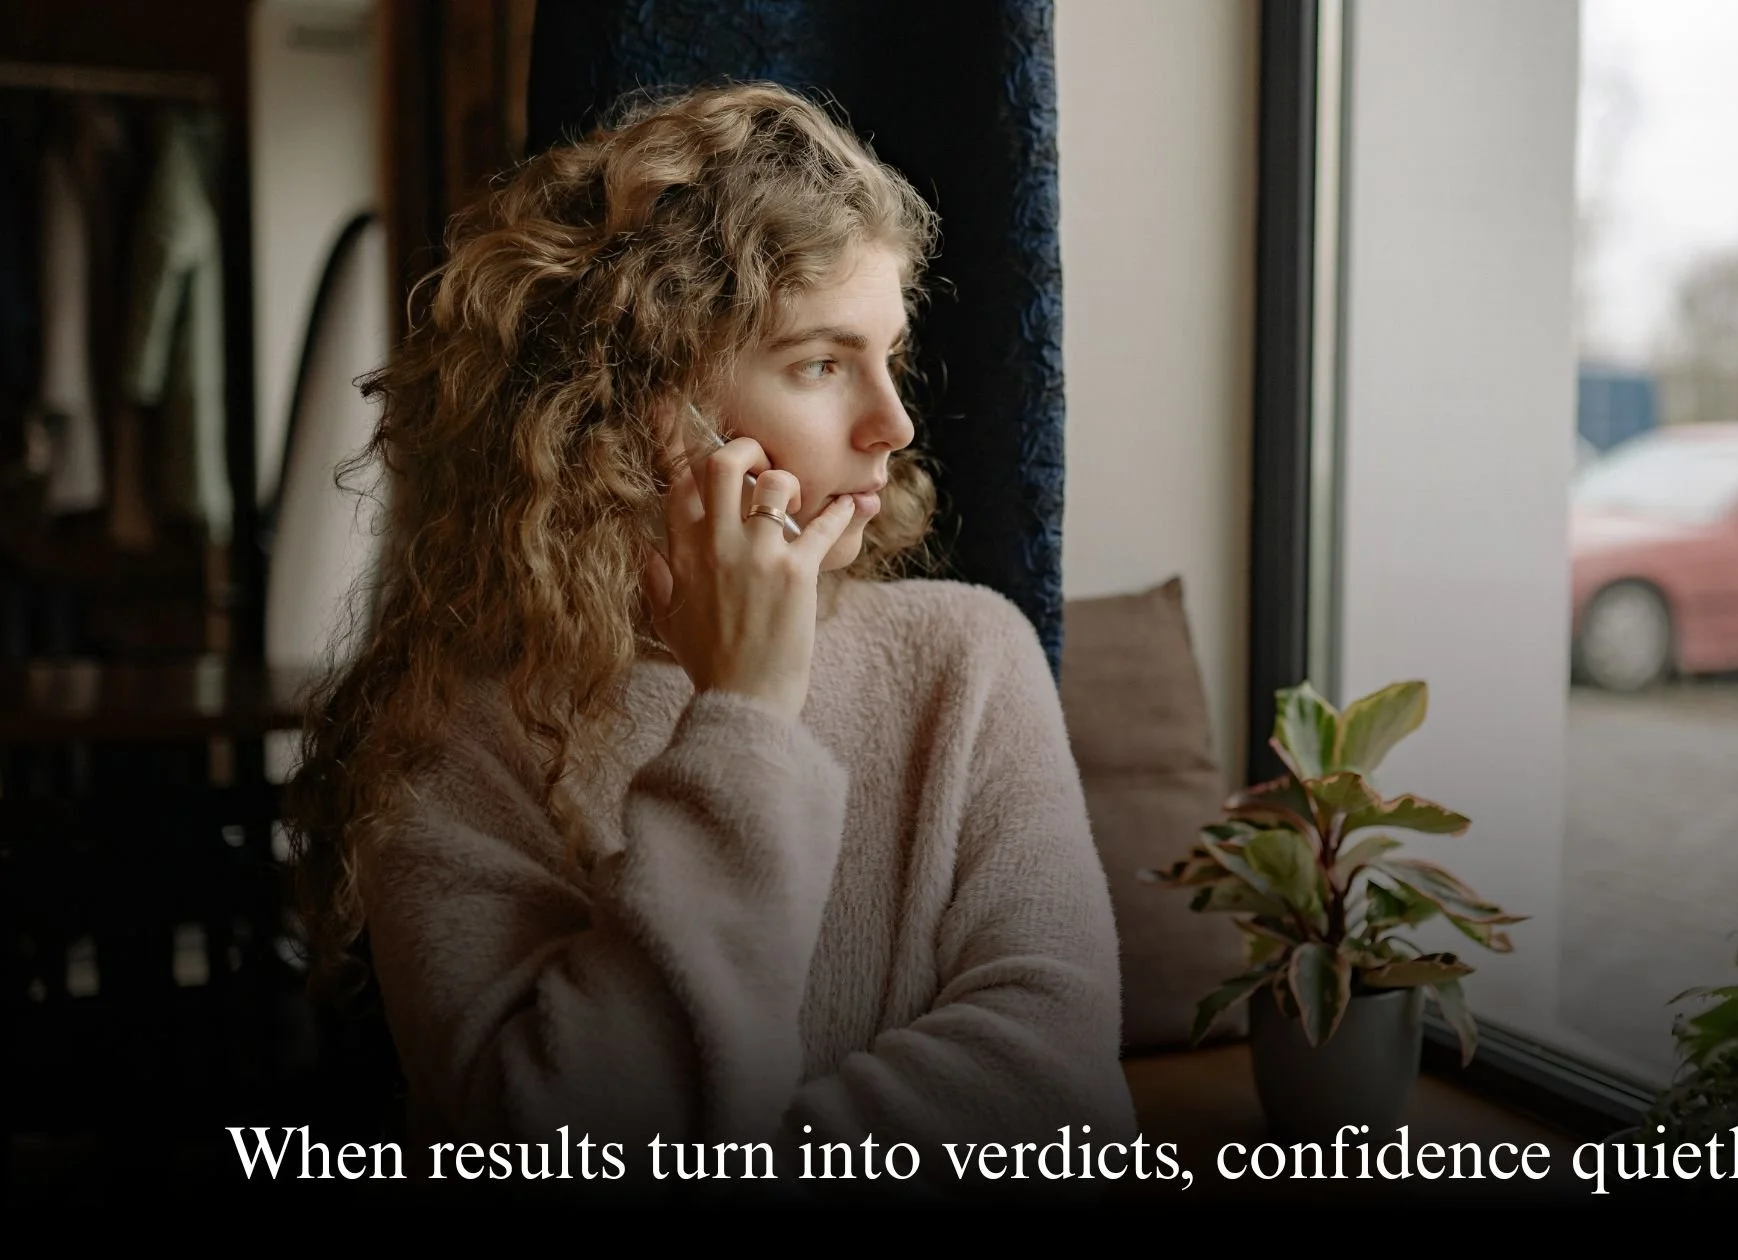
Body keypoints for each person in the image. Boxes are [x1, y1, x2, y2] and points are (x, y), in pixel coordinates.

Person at [284, 82, 1138, 1186]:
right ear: (640, 401)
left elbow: (1059, 1092)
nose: (893, 424)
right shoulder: (449, 736)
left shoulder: (969, 657)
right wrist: (745, 717)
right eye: (822, 363)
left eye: (890, 356)